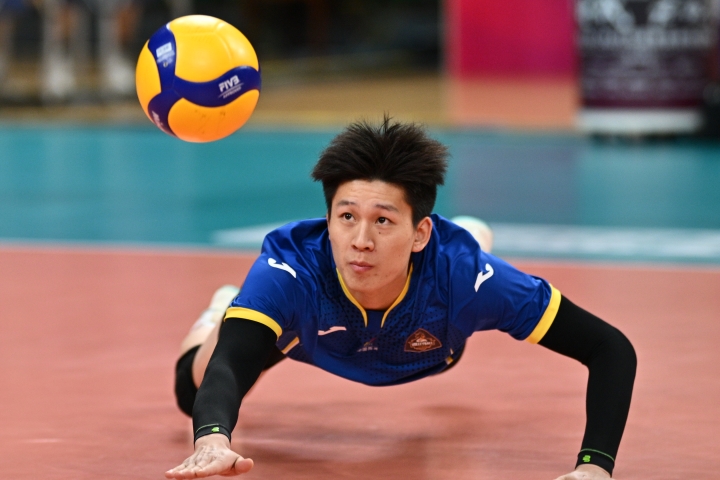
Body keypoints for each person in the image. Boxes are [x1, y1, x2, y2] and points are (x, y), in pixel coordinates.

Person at [165, 117, 636, 480]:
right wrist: (211, 442)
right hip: (306, 334)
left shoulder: (467, 280)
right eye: (346, 217)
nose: (360, 241)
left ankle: (470, 237)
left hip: (432, 345)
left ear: (419, 232)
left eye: (383, 221)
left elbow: (610, 347)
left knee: (463, 262)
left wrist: (594, 467)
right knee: (194, 394)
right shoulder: (291, 270)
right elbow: (230, 364)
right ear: (328, 220)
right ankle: (223, 309)